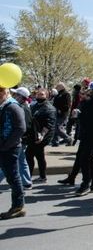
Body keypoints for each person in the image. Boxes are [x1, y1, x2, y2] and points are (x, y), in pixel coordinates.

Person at [0, 86, 27, 220]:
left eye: (0, 91)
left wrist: (6, 145)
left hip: (10, 148)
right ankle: (18, 206)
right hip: (5, 147)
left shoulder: (13, 107)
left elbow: (21, 128)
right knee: (12, 177)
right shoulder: (4, 106)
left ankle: (18, 207)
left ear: (6, 92)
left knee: (14, 177)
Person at [27, 89, 56, 183]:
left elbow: (49, 124)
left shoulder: (50, 108)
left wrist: (42, 135)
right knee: (33, 155)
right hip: (34, 134)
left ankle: (36, 177)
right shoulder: (34, 106)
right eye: (38, 94)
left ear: (46, 96)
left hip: (44, 135)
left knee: (33, 154)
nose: (39, 96)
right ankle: (36, 176)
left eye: (42, 94)